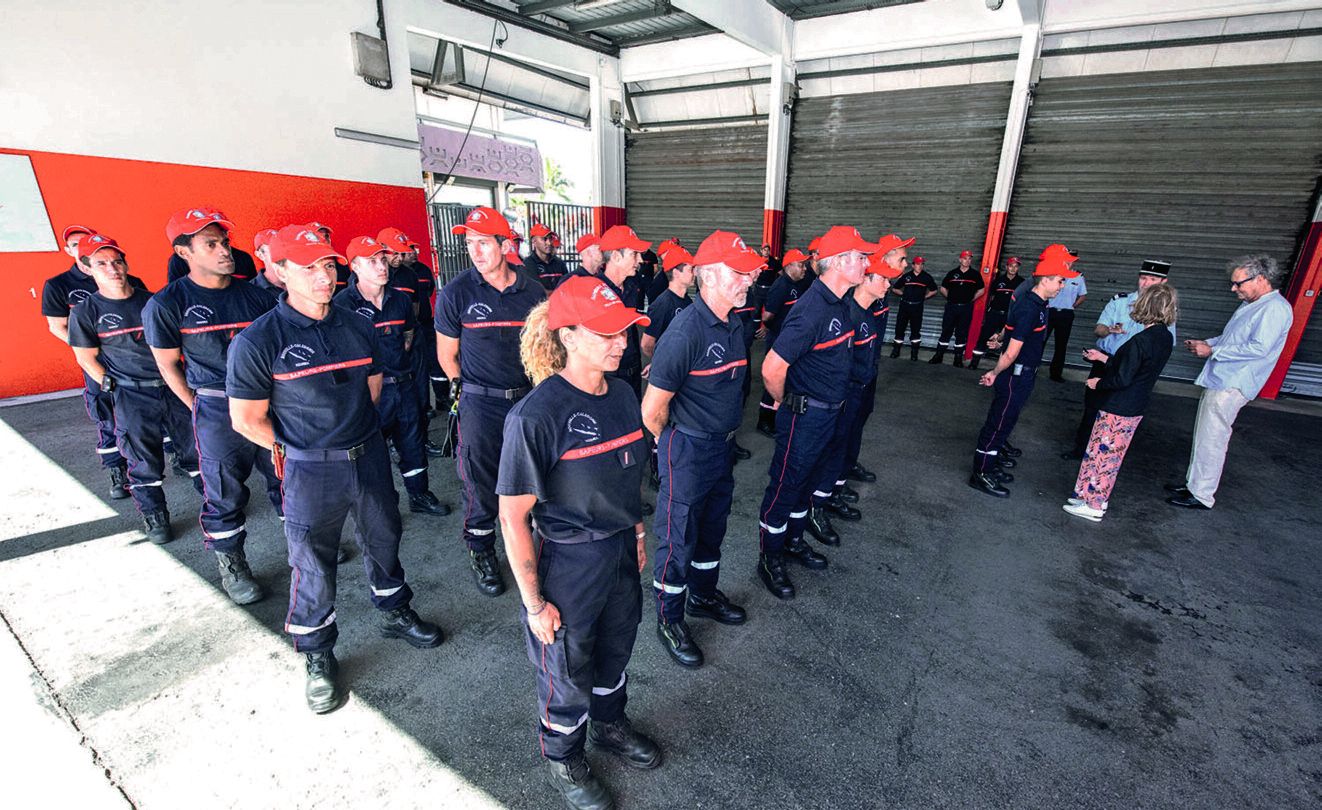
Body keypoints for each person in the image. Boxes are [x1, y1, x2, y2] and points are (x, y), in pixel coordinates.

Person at [227, 224, 443, 714]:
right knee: (312, 563)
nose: (325, 276)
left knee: (384, 537)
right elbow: (246, 419)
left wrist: (350, 435)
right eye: (309, 268)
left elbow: (370, 384)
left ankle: (393, 608)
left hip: (366, 458)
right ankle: (318, 654)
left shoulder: (356, 325)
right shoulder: (258, 340)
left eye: (328, 265)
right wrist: (304, 448)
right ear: (279, 272)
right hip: (308, 470)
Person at [497, 275, 660, 810]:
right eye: (606, 333)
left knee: (617, 646)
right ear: (566, 335)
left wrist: (636, 533)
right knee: (566, 666)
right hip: (567, 561)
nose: (621, 343)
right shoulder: (536, 416)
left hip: (616, 549)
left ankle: (610, 725)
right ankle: (563, 755)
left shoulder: (622, 394)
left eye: (625, 332)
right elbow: (513, 516)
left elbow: (627, 475)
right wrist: (534, 604)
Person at [143, 207, 283, 604]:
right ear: (184, 251)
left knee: (284, 475)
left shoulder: (255, 297)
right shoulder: (167, 304)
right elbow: (169, 365)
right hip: (215, 407)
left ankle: (304, 545)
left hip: (266, 402)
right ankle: (233, 564)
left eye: (224, 242)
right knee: (223, 489)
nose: (224, 250)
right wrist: (198, 407)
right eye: (211, 243)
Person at [641, 231, 761, 668]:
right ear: (706, 276)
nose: (747, 280)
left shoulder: (732, 322)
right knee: (678, 537)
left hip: (721, 449)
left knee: (712, 529)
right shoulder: (685, 331)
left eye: (748, 272)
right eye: (737, 272)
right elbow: (652, 410)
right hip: (688, 449)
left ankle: (703, 596)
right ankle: (669, 617)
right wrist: (673, 445)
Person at [756, 226, 874, 600]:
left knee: (806, 483)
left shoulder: (840, 302)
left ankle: (792, 540)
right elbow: (772, 368)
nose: (866, 263)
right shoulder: (811, 310)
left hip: (830, 414)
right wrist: (783, 402)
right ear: (839, 262)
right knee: (787, 484)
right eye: (860, 257)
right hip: (805, 416)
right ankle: (769, 557)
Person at [435, 206, 547, 596]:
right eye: (469, 243)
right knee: (480, 484)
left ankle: (534, 548)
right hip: (480, 406)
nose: (475, 251)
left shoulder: (532, 291)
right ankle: (481, 549)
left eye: (484, 242)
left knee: (532, 476)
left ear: (505, 244)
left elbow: (543, 347)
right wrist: (464, 394)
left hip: (526, 403)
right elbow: (447, 356)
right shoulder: (456, 293)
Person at [67, 235, 201, 544]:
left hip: (172, 387)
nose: (113, 269)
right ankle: (155, 516)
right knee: (143, 461)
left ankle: (214, 503)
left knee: (195, 448)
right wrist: (113, 385)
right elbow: (86, 358)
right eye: (102, 264)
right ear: (87, 269)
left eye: (117, 261)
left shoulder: (154, 301)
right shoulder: (84, 312)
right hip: (131, 395)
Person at [1167, 255, 1294, 510]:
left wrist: (1213, 352)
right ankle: (1194, 484)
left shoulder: (1274, 308)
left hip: (1234, 382)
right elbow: (1231, 337)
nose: (1234, 289)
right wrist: (1208, 344)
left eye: (1239, 283)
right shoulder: (1252, 303)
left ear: (1260, 279)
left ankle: (1201, 494)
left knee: (1213, 437)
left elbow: (1258, 348)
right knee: (1205, 435)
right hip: (1223, 378)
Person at [334, 236, 450, 517]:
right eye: (372, 261)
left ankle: (419, 495)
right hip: (368, 394)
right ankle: (379, 506)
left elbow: (408, 335)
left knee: (413, 442)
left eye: (383, 260)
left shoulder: (399, 299)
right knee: (370, 454)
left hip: (403, 385)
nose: (381, 266)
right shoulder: (342, 305)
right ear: (355, 267)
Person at [41, 224, 148, 499]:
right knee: (107, 417)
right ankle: (116, 469)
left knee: (149, 415)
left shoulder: (129, 280)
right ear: (69, 251)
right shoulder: (58, 285)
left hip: (135, 363)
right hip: (96, 363)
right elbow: (57, 326)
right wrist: (92, 349)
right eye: (75, 244)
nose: (111, 267)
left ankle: (173, 458)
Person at [968, 248, 1079, 497]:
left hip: (1025, 374)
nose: (1063, 285)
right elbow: (1011, 352)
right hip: (1014, 375)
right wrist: (995, 372)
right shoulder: (1030, 306)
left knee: (1007, 422)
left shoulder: (1040, 304)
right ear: (1046, 278)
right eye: (1060, 280)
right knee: (997, 425)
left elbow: (1013, 333)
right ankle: (981, 473)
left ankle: (992, 465)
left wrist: (1001, 340)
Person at [1064, 284, 1178, 521]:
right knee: (1101, 451)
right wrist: (1104, 357)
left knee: (1104, 457)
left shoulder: (1141, 340)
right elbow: (1135, 367)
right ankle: (1087, 494)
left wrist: (1098, 383)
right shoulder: (1164, 337)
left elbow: (1123, 377)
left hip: (1119, 405)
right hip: (1135, 404)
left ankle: (1094, 505)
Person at [1062, 260, 1174, 460]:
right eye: (1143, 277)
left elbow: (1163, 345)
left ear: (1163, 282)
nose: (1146, 283)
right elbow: (1099, 328)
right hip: (1107, 360)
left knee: (1117, 412)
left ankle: (1102, 457)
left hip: (1131, 370)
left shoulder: (1164, 312)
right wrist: (1110, 330)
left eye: (1153, 279)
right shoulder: (1120, 301)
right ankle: (1082, 450)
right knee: (1092, 408)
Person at [837, 237, 905, 496]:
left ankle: (847, 465)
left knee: (859, 418)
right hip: (853, 374)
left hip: (869, 368)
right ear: (884, 258)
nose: (905, 264)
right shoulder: (860, 297)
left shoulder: (880, 292)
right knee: (845, 425)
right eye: (901, 258)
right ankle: (835, 478)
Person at [754, 250, 811, 437]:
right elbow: (768, 316)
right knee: (773, 376)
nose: (804, 268)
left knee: (785, 379)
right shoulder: (780, 286)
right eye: (800, 265)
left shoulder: (798, 284)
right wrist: (776, 329)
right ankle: (764, 420)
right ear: (788, 267)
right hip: (778, 339)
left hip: (789, 340)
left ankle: (778, 416)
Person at [594, 226, 651, 400]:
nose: (640, 260)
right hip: (606, 376)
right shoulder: (594, 291)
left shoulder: (633, 287)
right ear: (616, 257)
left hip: (632, 370)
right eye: (634, 254)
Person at [165, 207, 258, 283]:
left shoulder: (242, 258)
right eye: (211, 245)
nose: (225, 252)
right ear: (183, 252)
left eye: (225, 243)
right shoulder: (178, 262)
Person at [929, 249, 984, 367]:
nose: (967, 261)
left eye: (969, 259)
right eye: (965, 258)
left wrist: (971, 299)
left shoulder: (975, 275)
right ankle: (939, 355)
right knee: (946, 331)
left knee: (961, 333)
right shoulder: (952, 273)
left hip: (966, 308)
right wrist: (951, 298)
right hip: (951, 307)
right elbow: (943, 288)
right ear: (960, 260)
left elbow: (982, 290)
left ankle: (958, 358)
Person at [969, 256, 1024, 371]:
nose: (1013, 269)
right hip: (994, 313)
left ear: (1018, 268)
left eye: (1016, 267)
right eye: (1011, 266)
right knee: (984, 336)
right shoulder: (998, 281)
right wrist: (988, 312)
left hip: (1010, 316)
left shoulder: (1021, 283)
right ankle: (974, 362)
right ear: (1006, 267)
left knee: (1008, 340)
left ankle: (1004, 367)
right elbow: (991, 297)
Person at [640, 247, 694, 364]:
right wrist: (663, 363)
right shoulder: (662, 304)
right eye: (690, 269)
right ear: (676, 273)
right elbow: (646, 344)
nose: (694, 273)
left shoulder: (688, 301)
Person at [1044, 253, 1088, 382]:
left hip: (1065, 314)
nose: (1068, 263)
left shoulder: (1078, 277)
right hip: (1050, 312)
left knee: (1061, 345)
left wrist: (1072, 306)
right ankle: (1031, 369)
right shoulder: (1053, 275)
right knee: (1040, 341)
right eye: (1066, 261)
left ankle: (1056, 374)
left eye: (1071, 261)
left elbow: (1083, 295)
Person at [889, 255, 938, 360]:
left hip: (917, 307)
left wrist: (924, 297)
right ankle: (896, 351)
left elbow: (934, 290)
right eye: (917, 264)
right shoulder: (906, 276)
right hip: (905, 306)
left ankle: (914, 354)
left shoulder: (926, 277)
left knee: (916, 330)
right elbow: (895, 288)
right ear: (913, 265)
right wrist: (903, 294)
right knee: (900, 328)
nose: (920, 266)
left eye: (922, 264)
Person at [526, 223, 570, 291]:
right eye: (544, 239)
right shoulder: (528, 264)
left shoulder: (560, 263)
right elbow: (538, 292)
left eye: (550, 238)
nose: (549, 243)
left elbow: (569, 287)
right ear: (534, 241)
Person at [250, 228, 285, 299]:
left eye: (282, 247)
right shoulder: (251, 291)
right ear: (260, 255)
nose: (281, 253)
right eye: (274, 249)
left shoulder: (299, 278)